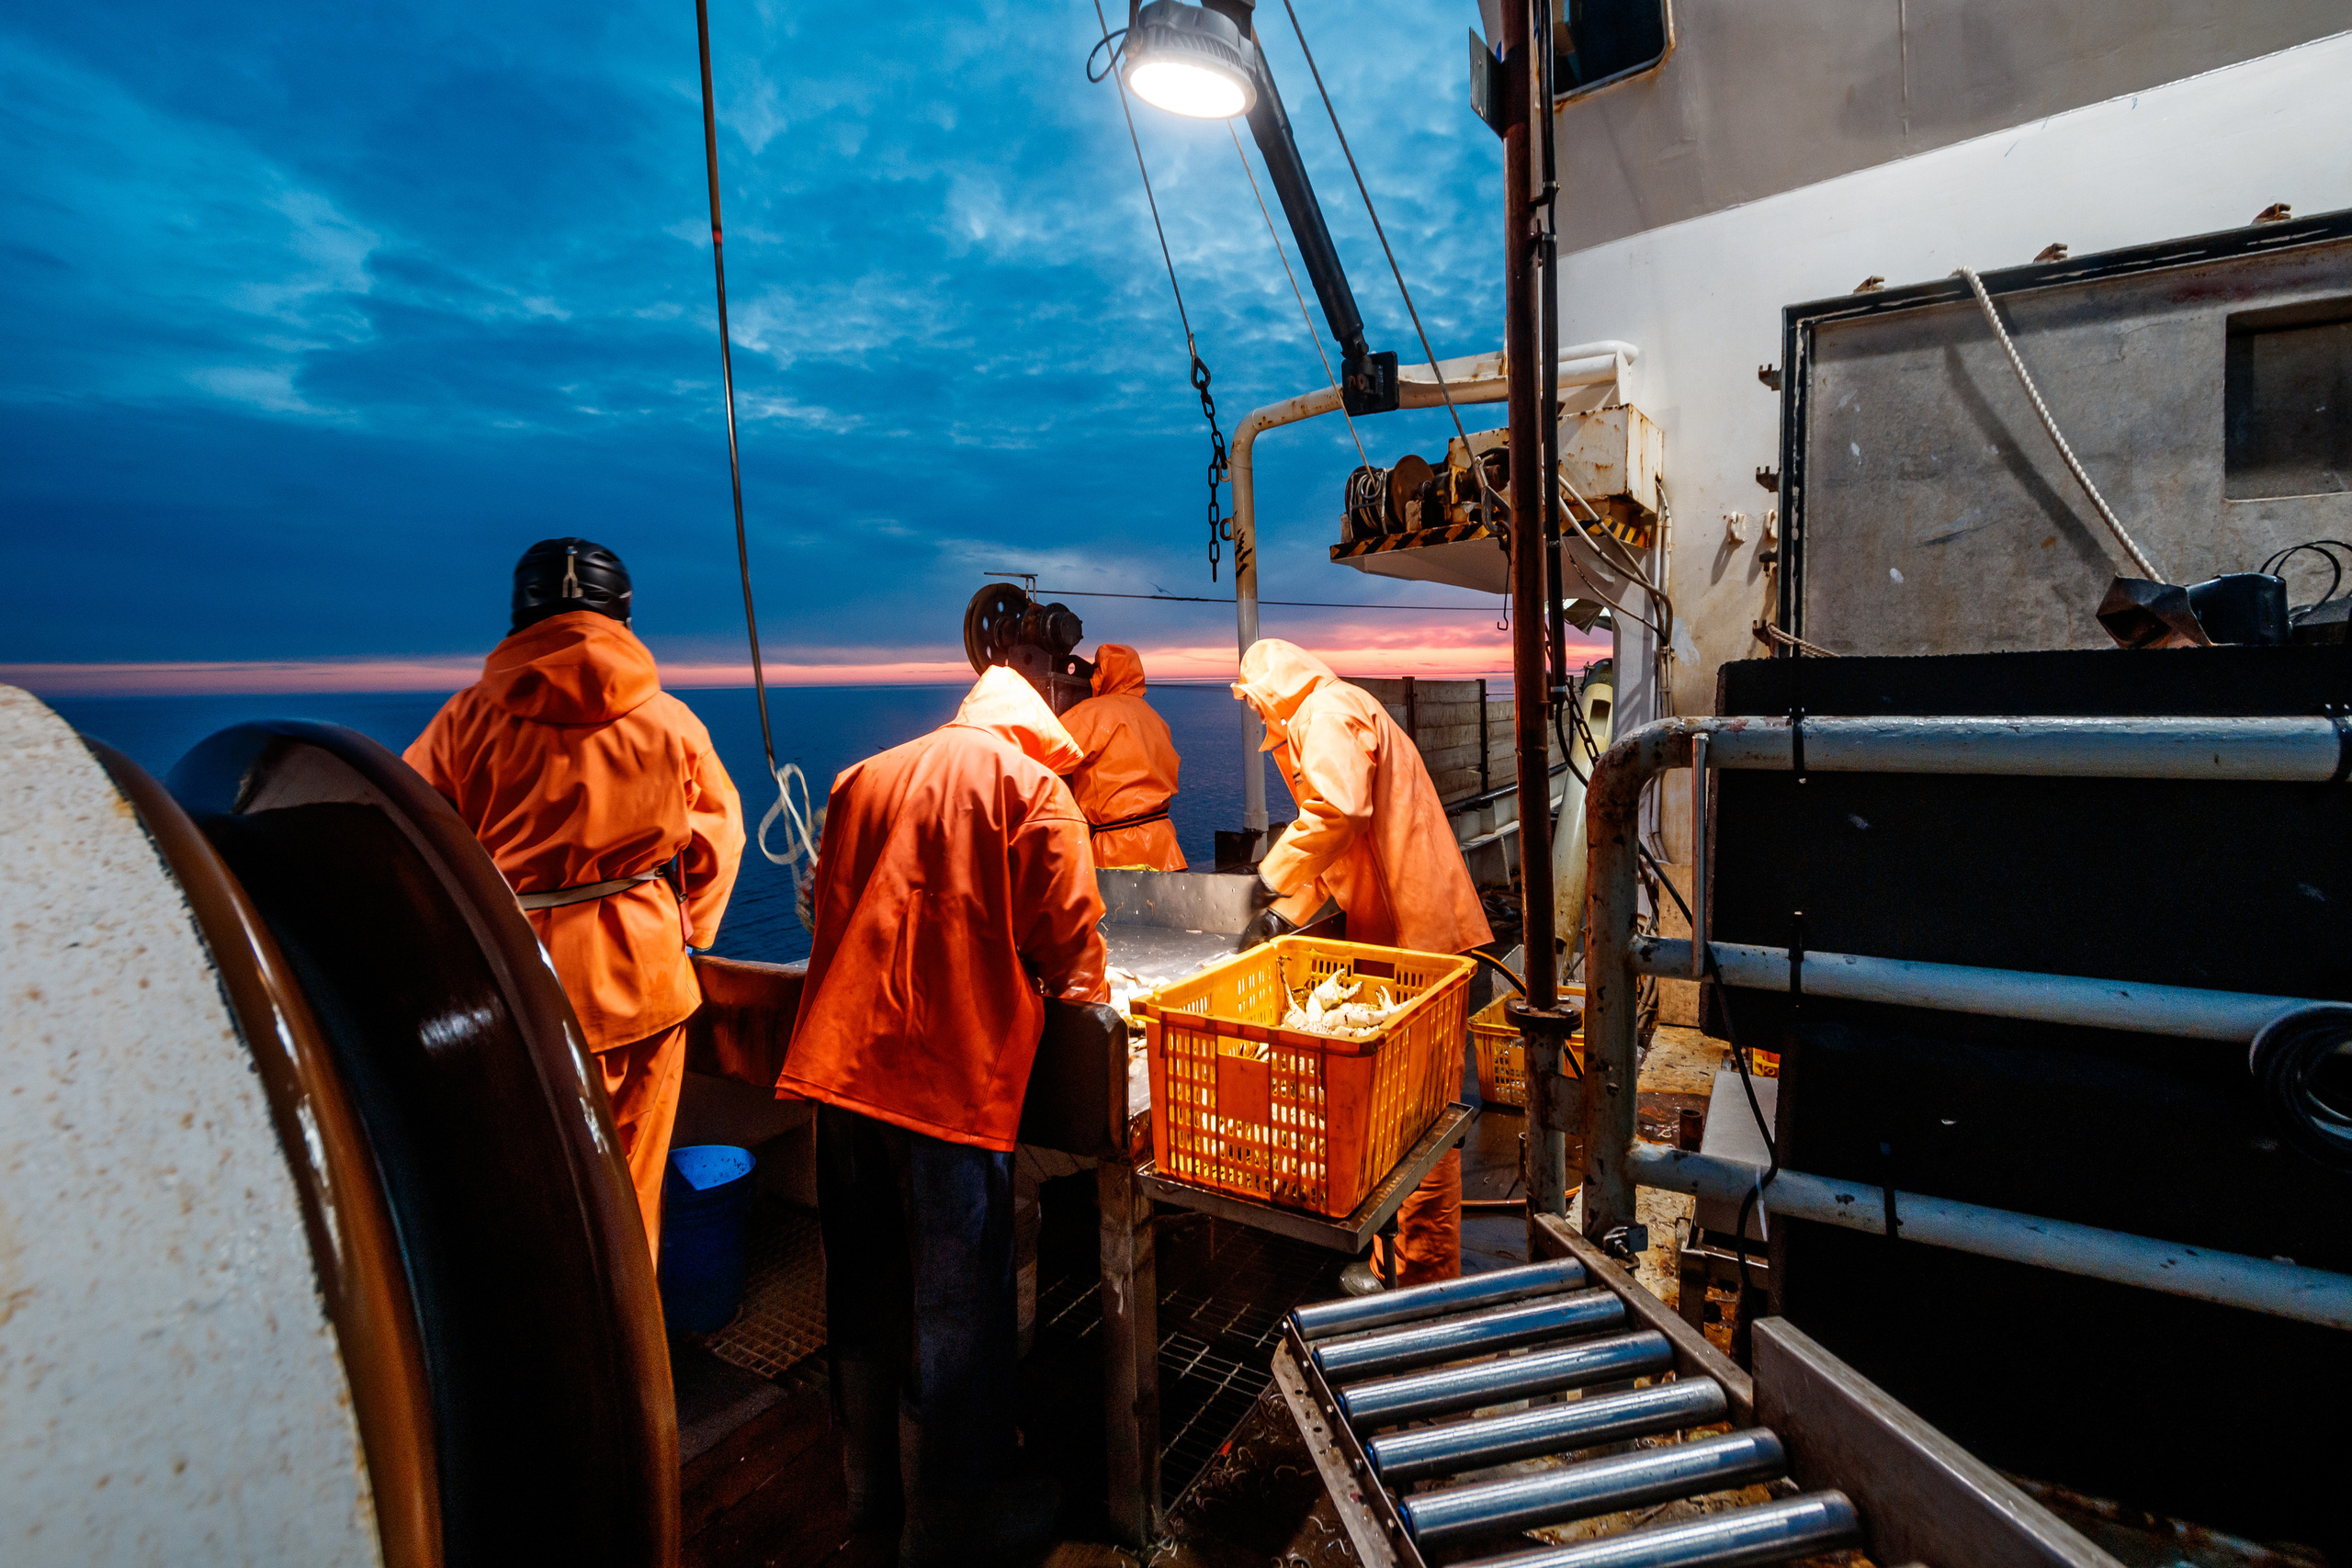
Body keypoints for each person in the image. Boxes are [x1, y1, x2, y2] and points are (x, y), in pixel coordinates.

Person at [779, 665, 1107, 1568]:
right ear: (1037, 733)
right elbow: (1072, 945)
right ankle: (956, 1524)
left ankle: (868, 1496)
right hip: (949, 1088)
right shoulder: (1034, 790)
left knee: (862, 1287)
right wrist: (1086, 998)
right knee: (961, 1313)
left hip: (844, 1074)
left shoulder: (862, 778)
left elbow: (830, 916)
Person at [404, 537, 743, 1266]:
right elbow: (722, 831)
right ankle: (636, 1362)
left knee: (532, 1187)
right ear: (622, 613)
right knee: (634, 1194)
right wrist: (696, 923)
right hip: (646, 979)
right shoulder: (669, 721)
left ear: (521, 613)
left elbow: (406, 841)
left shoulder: (464, 721)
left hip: (518, 984)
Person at [1229, 638, 1492, 1287]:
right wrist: (1283, 912)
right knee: (1398, 1122)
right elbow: (1337, 842)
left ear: (1274, 693)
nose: (1260, 719)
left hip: (1419, 939)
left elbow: (1339, 811)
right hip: (1404, 937)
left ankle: (1422, 1288)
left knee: (1420, 1125)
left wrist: (1267, 878)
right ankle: (1393, 1266)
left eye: (1258, 706)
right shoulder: (1330, 716)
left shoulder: (1329, 711)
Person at [1057, 642, 1186, 872]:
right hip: (1164, 844)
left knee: (1122, 908)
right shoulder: (1156, 719)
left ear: (1105, 673)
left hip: (1117, 849)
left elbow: (1048, 750)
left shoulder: (1091, 713)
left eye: (1098, 669)